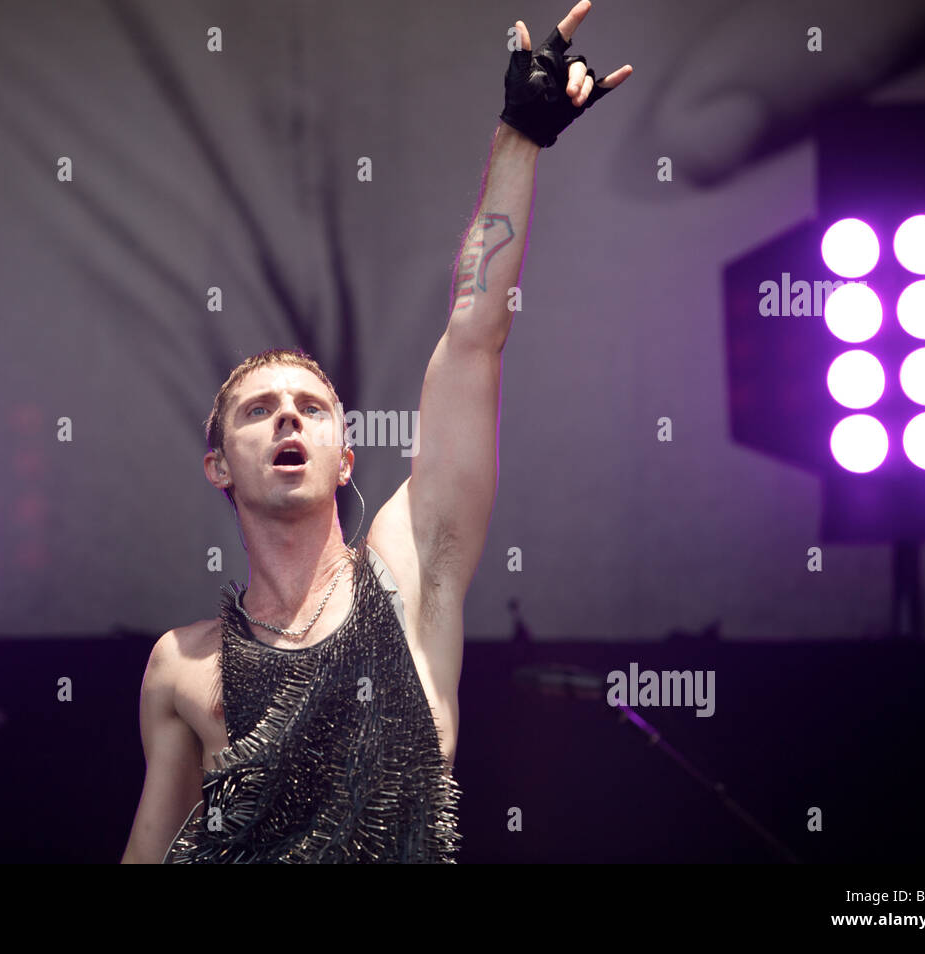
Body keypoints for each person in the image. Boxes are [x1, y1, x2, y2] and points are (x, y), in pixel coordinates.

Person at [120, 0, 631, 863]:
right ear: (218, 465)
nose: (288, 416)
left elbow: (474, 337)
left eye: (312, 408)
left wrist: (520, 139)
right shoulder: (180, 665)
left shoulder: (410, 578)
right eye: (258, 410)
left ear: (344, 456)